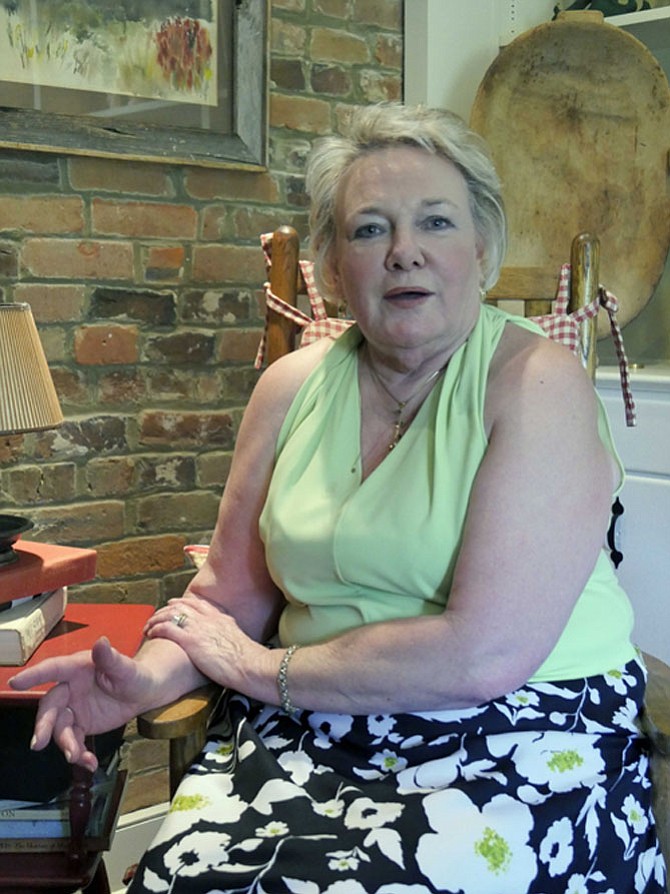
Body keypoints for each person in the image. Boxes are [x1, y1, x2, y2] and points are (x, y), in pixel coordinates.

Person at [10, 103, 666, 894]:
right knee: (184, 881)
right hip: (312, 726)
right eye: (368, 230)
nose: (404, 254)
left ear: (484, 250)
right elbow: (223, 599)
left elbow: (482, 654)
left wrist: (261, 669)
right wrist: (149, 679)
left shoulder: (537, 386)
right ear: (329, 266)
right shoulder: (288, 390)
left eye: (436, 222)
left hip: (522, 729)